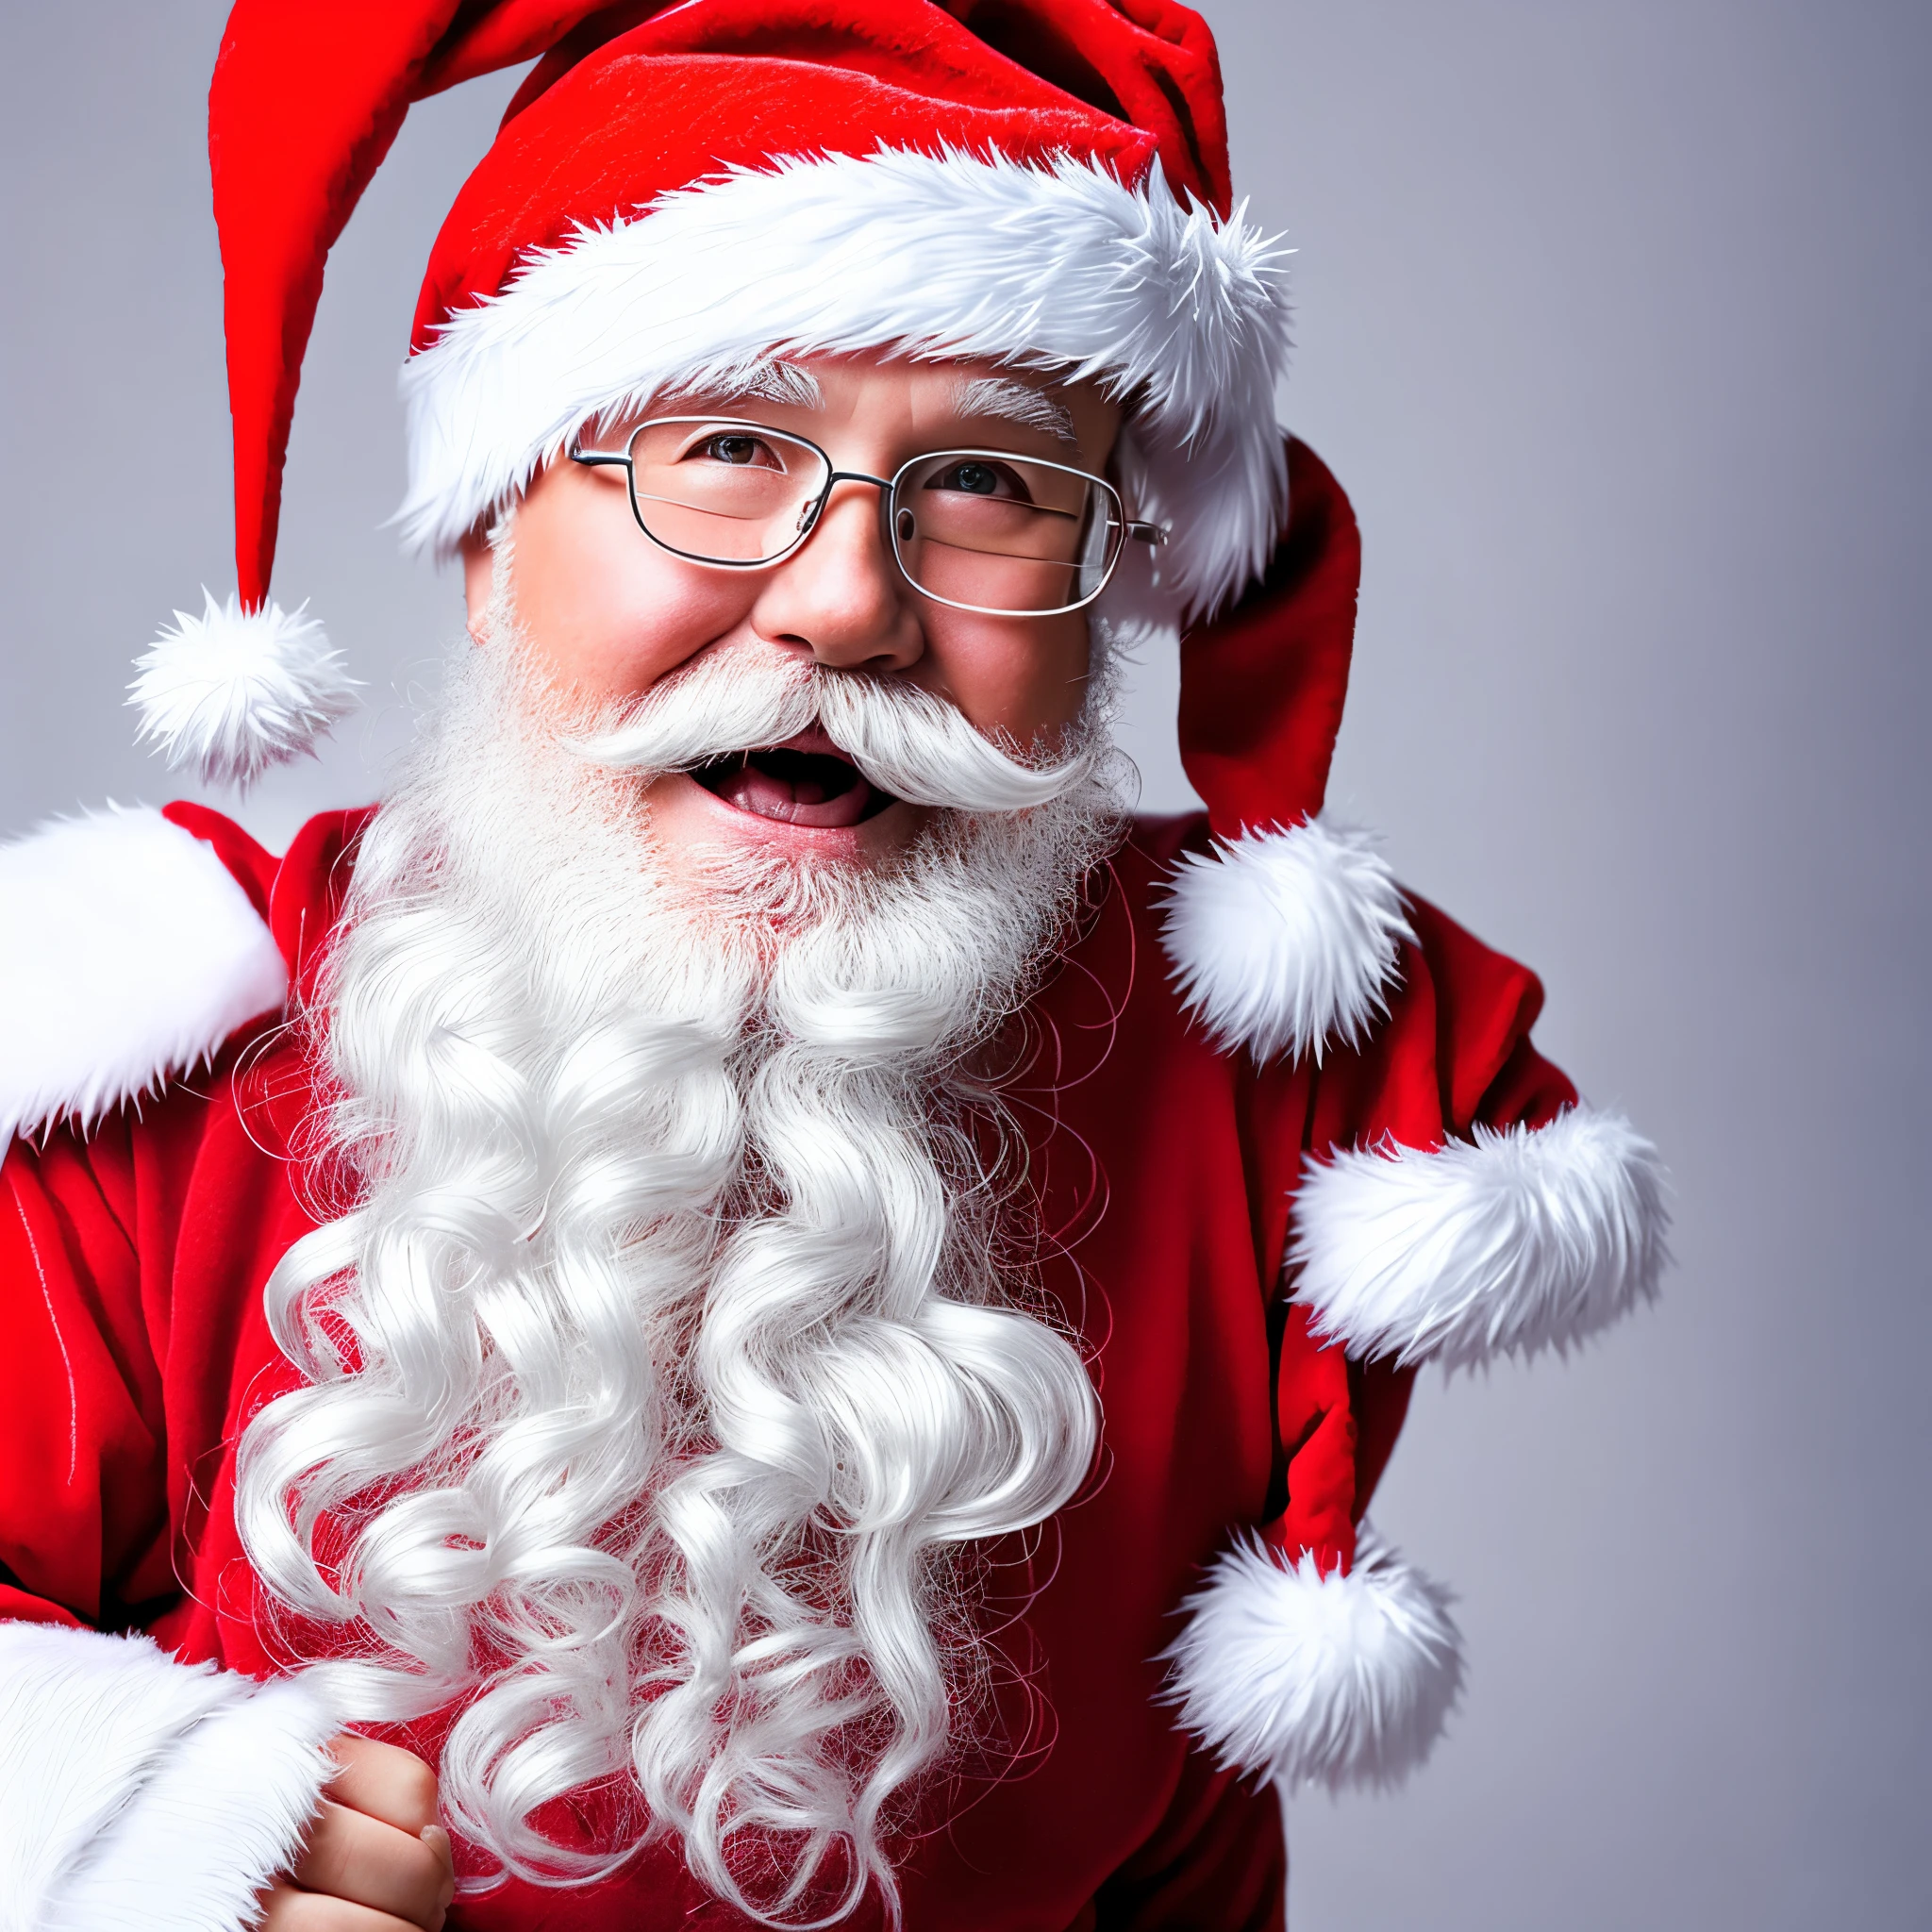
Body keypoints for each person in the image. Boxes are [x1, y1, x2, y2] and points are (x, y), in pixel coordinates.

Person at [0, 3, 1668, 1927]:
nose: (848, 600)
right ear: (487, 536)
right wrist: (109, 1828)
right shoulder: (154, 1053)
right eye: (723, 444)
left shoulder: (1269, 1104)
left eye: (986, 485)